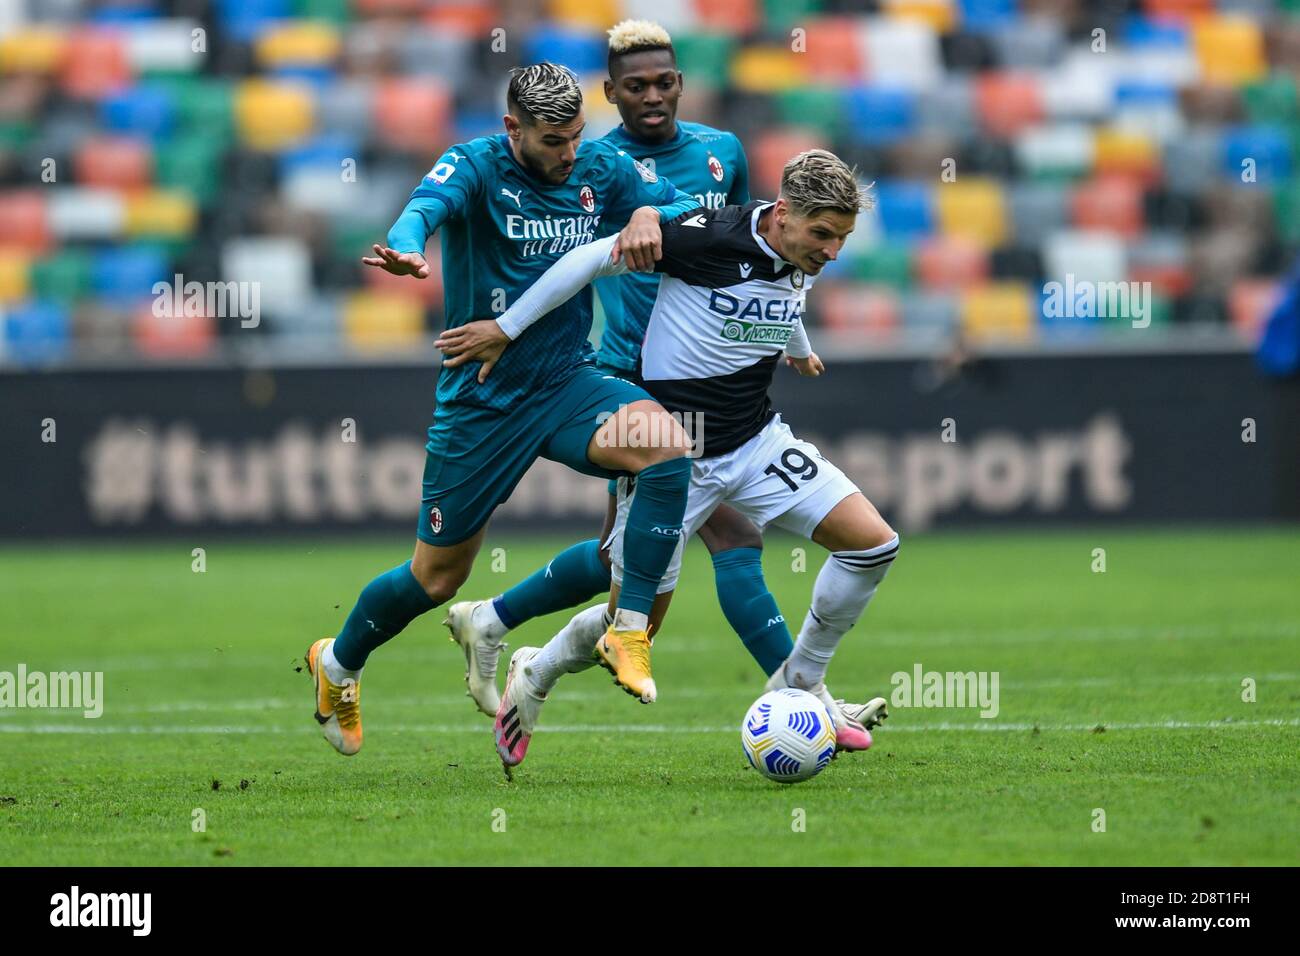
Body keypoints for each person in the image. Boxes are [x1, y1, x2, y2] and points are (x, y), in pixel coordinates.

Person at [437, 150, 897, 769]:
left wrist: (799, 347)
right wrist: (508, 327)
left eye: (842, 238)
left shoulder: (799, 251)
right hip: (674, 454)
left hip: (757, 441)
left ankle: (801, 684)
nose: (833, 251)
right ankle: (535, 671)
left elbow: (783, 295)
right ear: (782, 213)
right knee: (631, 630)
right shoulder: (707, 237)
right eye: (823, 235)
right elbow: (587, 259)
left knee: (872, 544)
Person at [303, 63, 704, 756]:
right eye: (553, 141)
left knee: (667, 448)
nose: (568, 153)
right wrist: (405, 246)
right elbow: (423, 209)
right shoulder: (475, 166)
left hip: (567, 382)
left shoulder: (601, 166)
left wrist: (645, 210)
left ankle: (629, 630)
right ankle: (337, 663)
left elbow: (682, 210)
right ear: (513, 128)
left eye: (575, 136)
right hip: (483, 399)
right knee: (436, 577)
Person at [443, 19, 808, 717]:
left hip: (705, 375)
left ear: (680, 83)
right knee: (699, 540)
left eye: (664, 82)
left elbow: (754, 253)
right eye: (634, 86)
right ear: (608, 92)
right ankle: (804, 695)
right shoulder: (592, 167)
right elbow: (563, 266)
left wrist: (787, 336)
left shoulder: (720, 152)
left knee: (638, 554)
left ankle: (494, 621)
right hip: (630, 375)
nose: (652, 96)